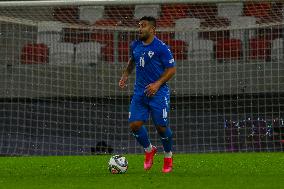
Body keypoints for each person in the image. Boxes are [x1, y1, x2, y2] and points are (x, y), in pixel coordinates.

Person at [119, 16, 176, 173]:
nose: (140, 28)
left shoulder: (161, 47)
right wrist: (125, 75)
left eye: (143, 26)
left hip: (158, 92)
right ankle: (149, 150)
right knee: (134, 124)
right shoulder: (135, 45)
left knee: (161, 127)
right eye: (139, 25)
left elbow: (171, 69)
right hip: (140, 92)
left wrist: (157, 84)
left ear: (152, 29)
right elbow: (132, 61)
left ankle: (168, 156)